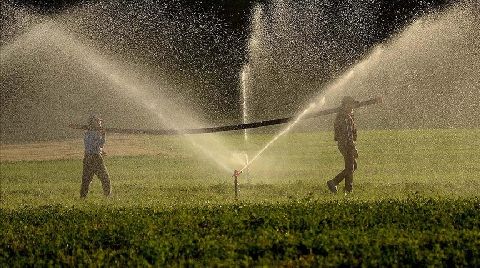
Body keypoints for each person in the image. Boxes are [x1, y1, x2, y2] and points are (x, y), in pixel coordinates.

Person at [327, 96, 359, 194]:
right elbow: (349, 135)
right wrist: (353, 148)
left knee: (352, 166)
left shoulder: (340, 116)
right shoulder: (347, 118)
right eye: (351, 104)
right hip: (347, 145)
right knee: (350, 168)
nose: (353, 107)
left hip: (342, 145)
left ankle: (347, 189)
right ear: (346, 105)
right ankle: (334, 182)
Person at [80, 114, 111, 198]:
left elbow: (91, 146)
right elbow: (99, 144)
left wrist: (101, 151)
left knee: (86, 180)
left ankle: (82, 198)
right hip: (95, 158)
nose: (100, 123)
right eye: (98, 122)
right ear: (94, 123)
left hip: (87, 158)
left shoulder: (87, 133)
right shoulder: (96, 133)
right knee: (105, 179)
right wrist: (103, 135)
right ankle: (107, 196)